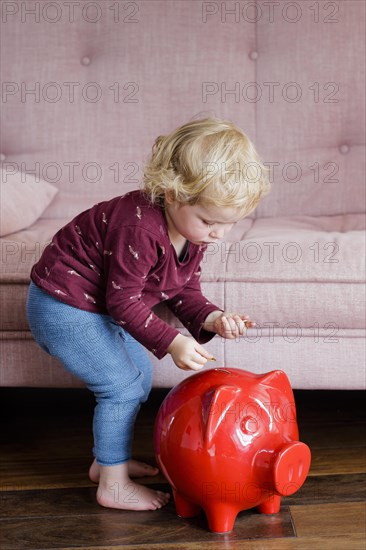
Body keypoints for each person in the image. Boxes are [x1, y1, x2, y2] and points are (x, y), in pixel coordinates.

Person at [26, 116, 270, 512]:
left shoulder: (192, 232)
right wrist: (173, 341)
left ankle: (106, 463)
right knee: (120, 387)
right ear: (172, 195)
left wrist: (213, 318)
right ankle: (113, 486)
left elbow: (183, 289)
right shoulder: (139, 227)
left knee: (138, 381)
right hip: (62, 305)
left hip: (95, 306)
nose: (218, 234)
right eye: (210, 221)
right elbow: (123, 301)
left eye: (229, 224)